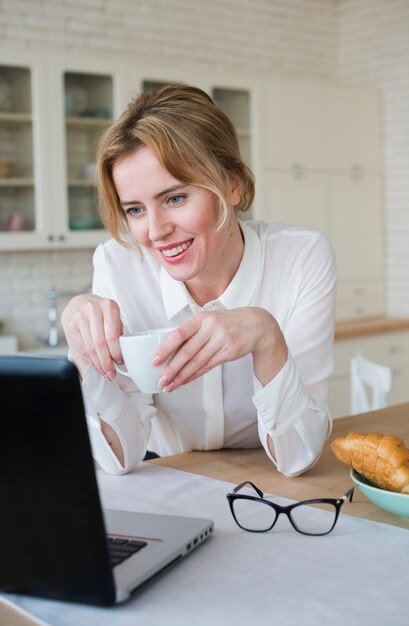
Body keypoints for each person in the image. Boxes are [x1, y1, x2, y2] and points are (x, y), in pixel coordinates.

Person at [61, 84, 336, 477]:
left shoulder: (302, 258)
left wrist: (266, 336)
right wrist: (83, 350)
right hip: (166, 474)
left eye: (175, 198)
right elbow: (119, 459)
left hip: (265, 479)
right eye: (135, 209)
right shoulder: (118, 265)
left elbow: (297, 458)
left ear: (232, 184)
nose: (155, 232)